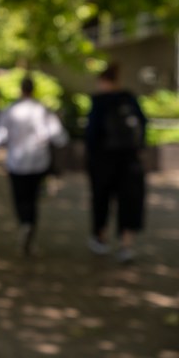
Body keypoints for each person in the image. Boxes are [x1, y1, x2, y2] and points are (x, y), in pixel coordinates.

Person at [0, 76, 68, 255]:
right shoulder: (43, 110)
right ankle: (29, 226)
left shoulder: (11, 110)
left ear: (21, 90)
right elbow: (60, 137)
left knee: (20, 198)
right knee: (33, 199)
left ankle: (24, 223)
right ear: (33, 90)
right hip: (39, 163)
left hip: (16, 163)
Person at [85, 63, 147, 263]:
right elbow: (143, 124)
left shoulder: (99, 101)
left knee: (101, 200)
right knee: (129, 202)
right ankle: (126, 245)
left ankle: (100, 239)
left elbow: (92, 133)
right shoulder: (129, 98)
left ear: (103, 81)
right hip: (129, 160)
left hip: (103, 161)